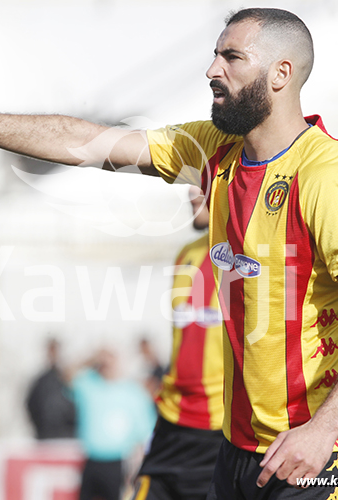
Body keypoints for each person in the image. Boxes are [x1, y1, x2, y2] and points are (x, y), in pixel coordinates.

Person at [0, 7, 338, 499]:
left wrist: (323, 430)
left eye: (231, 57)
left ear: (281, 74)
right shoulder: (216, 149)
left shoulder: (324, 175)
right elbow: (84, 143)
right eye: (214, 55)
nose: (212, 70)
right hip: (238, 449)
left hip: (320, 454)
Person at [132, 186, 224, 500]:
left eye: (204, 180)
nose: (190, 191)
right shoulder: (186, 254)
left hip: (221, 434)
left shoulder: (264, 257)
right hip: (171, 422)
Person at [67, 348, 157, 500]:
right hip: (91, 459)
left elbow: (145, 433)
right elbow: (67, 375)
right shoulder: (89, 384)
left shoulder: (132, 391)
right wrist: (91, 357)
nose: (107, 366)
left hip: (119, 461)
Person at [24, 338, 77, 440]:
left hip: (69, 437)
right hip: (46, 437)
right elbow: (31, 405)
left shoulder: (72, 379)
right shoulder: (41, 381)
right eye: (51, 350)